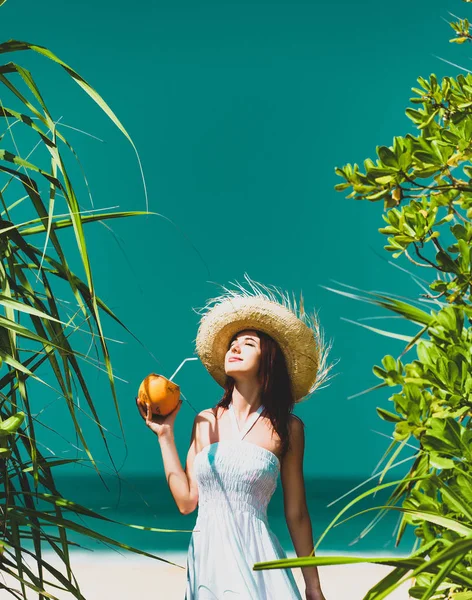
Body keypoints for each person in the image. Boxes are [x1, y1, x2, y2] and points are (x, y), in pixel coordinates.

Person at [137, 275, 334, 600]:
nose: (235, 347)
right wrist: (165, 436)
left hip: (261, 564)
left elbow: (296, 513)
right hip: (207, 564)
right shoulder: (205, 421)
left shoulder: (288, 428)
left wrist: (313, 586)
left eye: (249, 343)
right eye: (233, 343)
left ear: (267, 361)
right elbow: (186, 502)